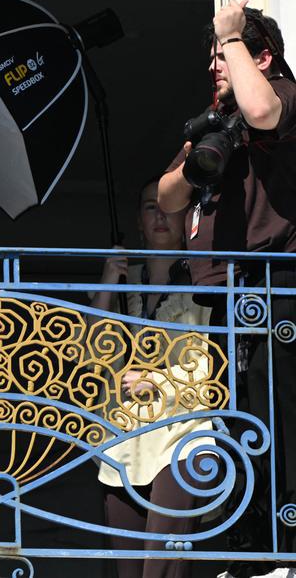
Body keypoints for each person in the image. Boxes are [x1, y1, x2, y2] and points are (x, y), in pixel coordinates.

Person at [159, 1, 296, 578]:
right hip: (225, 297)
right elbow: (166, 198)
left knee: (281, 422)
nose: (216, 65)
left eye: (226, 55)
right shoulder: (215, 119)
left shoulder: (282, 95)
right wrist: (195, 170)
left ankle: (286, 545)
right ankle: (252, 543)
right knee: (237, 425)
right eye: (214, 56)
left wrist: (232, 34)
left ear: (260, 55)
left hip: (276, 287)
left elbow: (262, 107)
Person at [92, 177, 217, 578]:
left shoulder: (204, 281)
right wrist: (108, 284)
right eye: (150, 207)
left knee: (160, 570)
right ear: (139, 222)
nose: (160, 214)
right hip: (124, 441)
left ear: (188, 218)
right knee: (129, 572)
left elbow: (211, 361)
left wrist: (156, 381)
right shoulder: (128, 285)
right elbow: (88, 358)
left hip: (183, 434)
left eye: (169, 206)